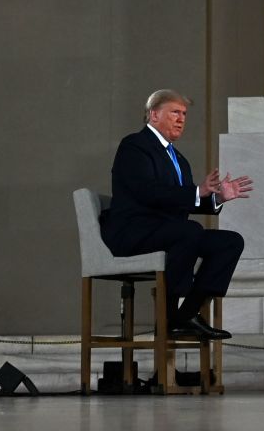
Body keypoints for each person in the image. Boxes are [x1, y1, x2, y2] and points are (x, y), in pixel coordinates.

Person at [100, 90, 253, 340]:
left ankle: (187, 313)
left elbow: (184, 201)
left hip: (171, 233)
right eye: (174, 112)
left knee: (230, 242)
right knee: (190, 231)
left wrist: (217, 198)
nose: (181, 119)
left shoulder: (178, 159)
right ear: (154, 114)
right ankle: (170, 313)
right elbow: (146, 192)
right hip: (133, 232)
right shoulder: (135, 145)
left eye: (184, 114)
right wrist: (197, 191)